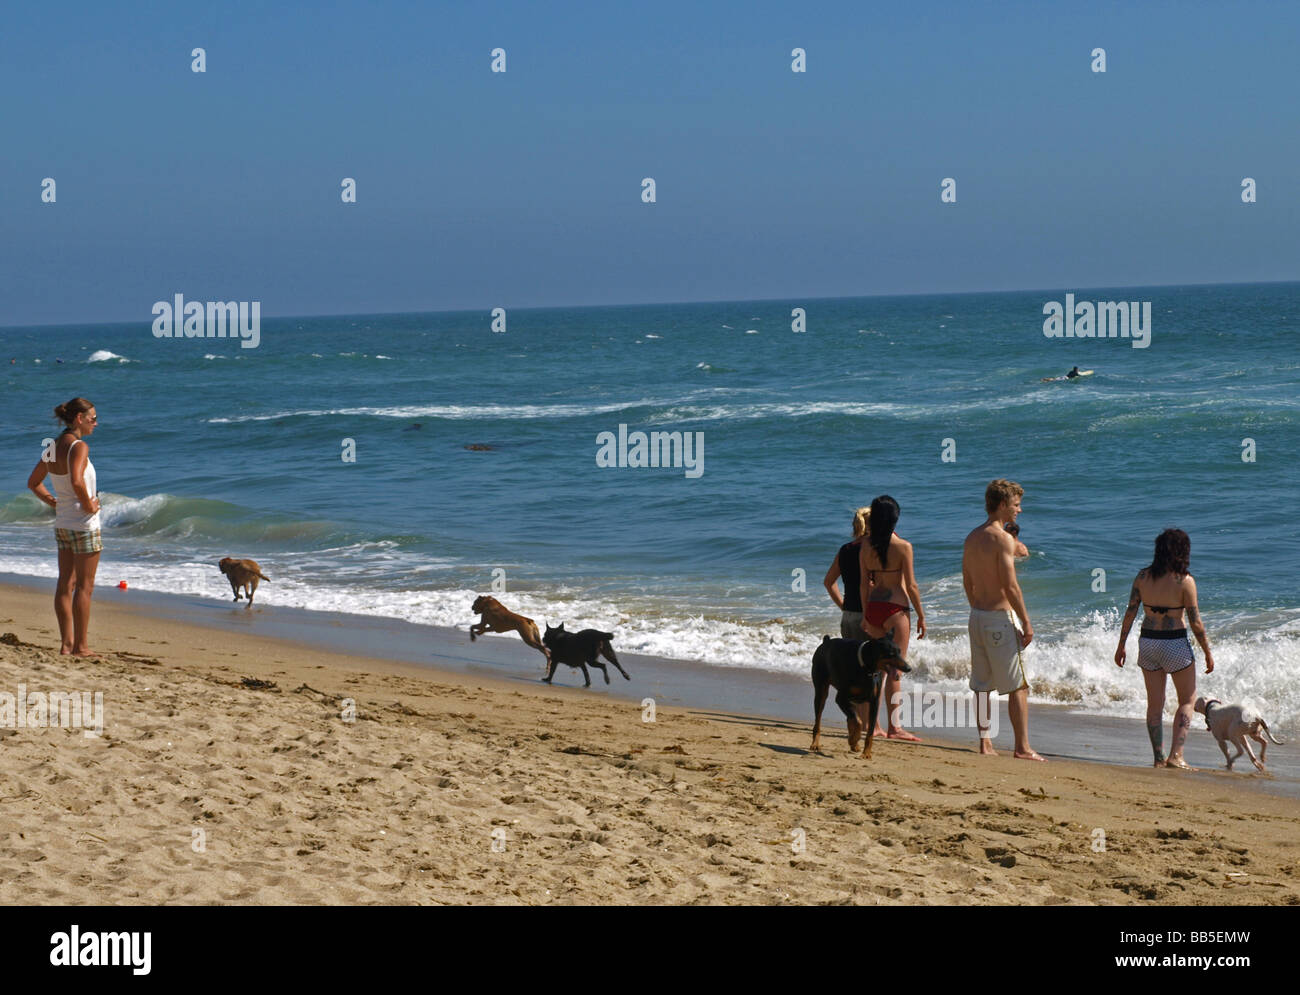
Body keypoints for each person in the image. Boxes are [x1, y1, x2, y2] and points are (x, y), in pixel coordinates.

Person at [1113, 528, 1214, 770]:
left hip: (1147, 642)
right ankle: (1176, 756)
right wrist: (1208, 652)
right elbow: (1196, 623)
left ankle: (1158, 758)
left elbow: (1130, 612)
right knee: (1187, 701)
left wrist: (1121, 645)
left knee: (1154, 704)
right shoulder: (1185, 581)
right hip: (1174, 643)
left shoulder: (1142, 576)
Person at [962, 479, 1043, 760]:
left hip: (977, 617)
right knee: (1017, 685)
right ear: (1002, 505)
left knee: (982, 684)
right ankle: (1022, 747)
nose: (1019, 510)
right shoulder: (1004, 539)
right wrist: (1026, 622)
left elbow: (967, 581)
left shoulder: (972, 537)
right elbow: (1010, 586)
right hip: (999, 617)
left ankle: (985, 744)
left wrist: (979, 609)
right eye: (1016, 505)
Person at [26, 397, 102, 656]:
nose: (96, 423)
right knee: (84, 586)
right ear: (79, 419)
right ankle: (81, 646)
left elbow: (34, 482)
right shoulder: (79, 446)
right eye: (92, 418)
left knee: (64, 584)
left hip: (63, 524)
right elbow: (78, 482)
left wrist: (54, 502)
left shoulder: (52, 445)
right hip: (83, 524)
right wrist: (89, 506)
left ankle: (66, 645)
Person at [858, 495, 924, 741]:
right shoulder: (903, 547)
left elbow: (863, 586)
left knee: (876, 671)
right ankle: (894, 727)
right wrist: (921, 615)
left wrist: (866, 615)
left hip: (874, 608)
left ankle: (873, 726)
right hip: (896, 610)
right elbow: (913, 586)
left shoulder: (865, 546)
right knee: (895, 671)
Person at [823, 506, 870, 639]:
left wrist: (844, 606)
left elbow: (828, 582)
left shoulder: (845, 550)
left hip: (848, 616)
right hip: (868, 617)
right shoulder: (872, 550)